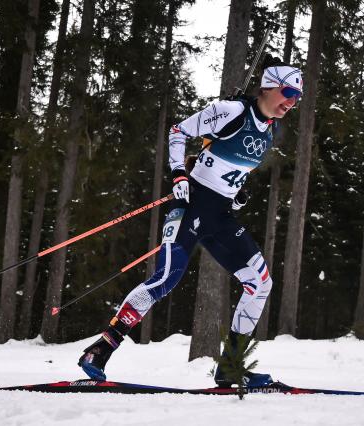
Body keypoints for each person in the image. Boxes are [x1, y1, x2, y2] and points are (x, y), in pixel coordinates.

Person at [78, 60, 303, 387]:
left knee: (260, 282)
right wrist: (178, 173)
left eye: (297, 97)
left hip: (221, 216)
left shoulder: (269, 131)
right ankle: (100, 349)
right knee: (166, 277)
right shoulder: (231, 111)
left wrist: (237, 195)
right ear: (268, 86)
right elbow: (178, 131)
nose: (291, 102)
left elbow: (233, 169)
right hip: (191, 205)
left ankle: (230, 367)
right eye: (287, 92)